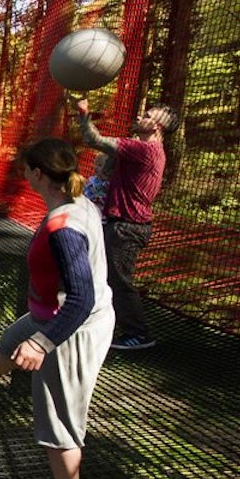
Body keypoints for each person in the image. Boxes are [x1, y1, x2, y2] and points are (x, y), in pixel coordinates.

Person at [0, 137, 114, 479]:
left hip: (70, 330)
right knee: (11, 339)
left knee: (59, 418)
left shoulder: (65, 227)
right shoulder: (75, 202)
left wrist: (43, 343)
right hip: (51, 314)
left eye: (25, 169)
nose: (23, 174)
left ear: (37, 173)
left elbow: (79, 299)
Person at [73, 97, 179, 350]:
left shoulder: (145, 150)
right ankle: (107, 323)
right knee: (107, 276)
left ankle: (138, 334)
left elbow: (94, 141)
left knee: (120, 280)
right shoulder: (143, 150)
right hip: (121, 224)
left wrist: (84, 114)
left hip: (128, 227)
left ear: (158, 127)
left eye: (148, 115)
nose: (141, 116)